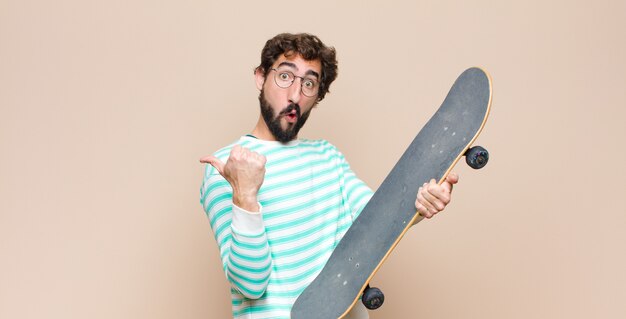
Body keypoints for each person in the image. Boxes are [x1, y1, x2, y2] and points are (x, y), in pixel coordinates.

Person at [199, 33, 458, 319]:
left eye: (309, 83)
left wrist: (423, 201)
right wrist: (245, 195)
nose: (295, 96)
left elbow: (381, 219)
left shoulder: (327, 156)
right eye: (285, 76)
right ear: (260, 78)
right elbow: (250, 283)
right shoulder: (227, 166)